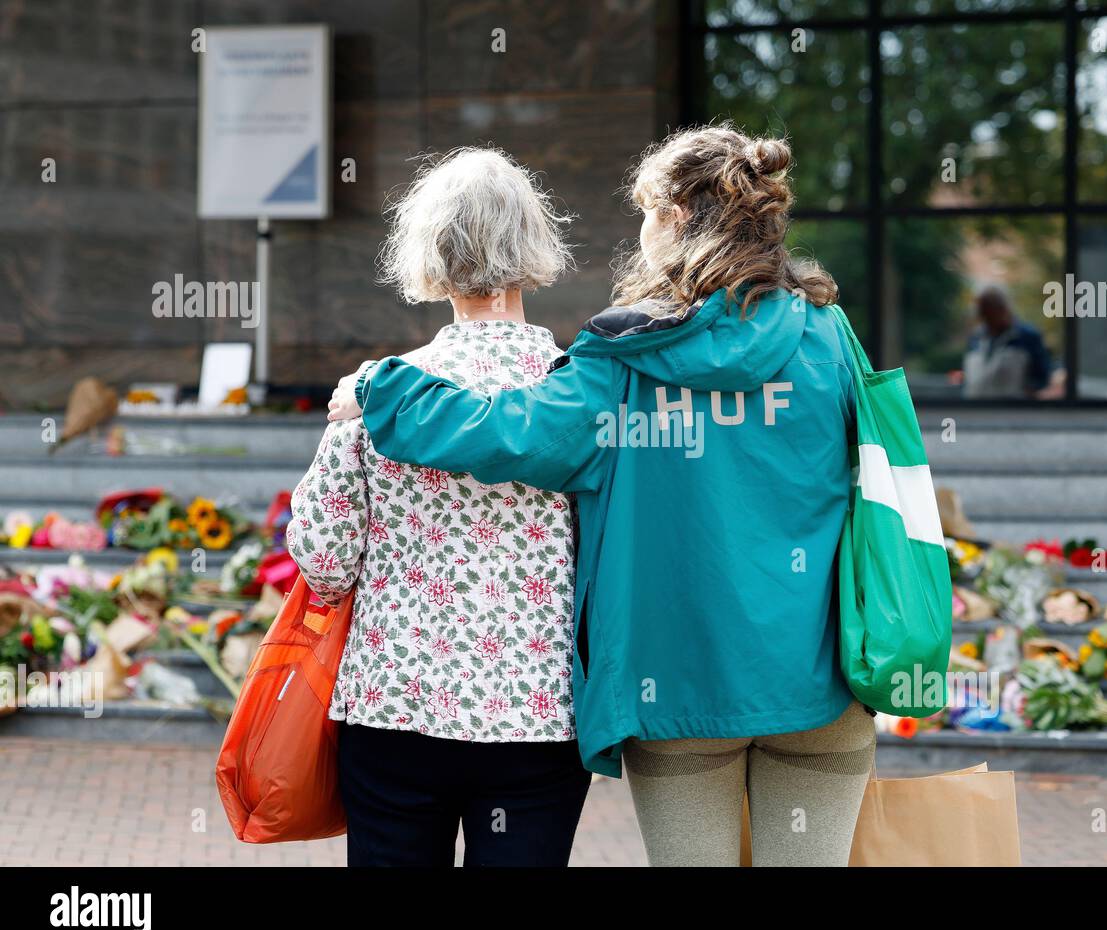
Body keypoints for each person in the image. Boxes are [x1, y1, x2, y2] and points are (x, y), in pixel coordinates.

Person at [328, 124, 877, 867]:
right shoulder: (832, 338)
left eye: (646, 212)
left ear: (676, 219)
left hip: (682, 693)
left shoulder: (628, 358)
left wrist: (380, 384)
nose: (641, 229)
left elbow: (503, 433)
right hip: (821, 682)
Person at [286, 148, 591, 867]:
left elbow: (325, 563)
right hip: (537, 712)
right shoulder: (579, 392)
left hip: (396, 705)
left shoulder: (374, 393)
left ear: (430, 255)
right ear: (532, 247)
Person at [956, 285, 1060, 399]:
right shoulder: (975, 338)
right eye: (984, 313)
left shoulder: (1027, 337)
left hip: (1012, 411)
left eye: (990, 311)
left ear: (1003, 309)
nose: (987, 318)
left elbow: (1042, 378)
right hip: (974, 410)